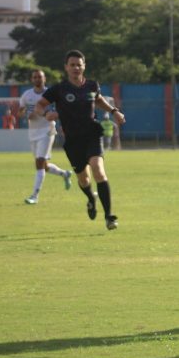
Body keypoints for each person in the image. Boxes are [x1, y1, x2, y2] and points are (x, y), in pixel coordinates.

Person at [33, 50, 125, 230]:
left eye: (79, 64)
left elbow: (98, 100)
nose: (76, 68)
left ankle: (109, 217)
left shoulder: (92, 85)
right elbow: (39, 105)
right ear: (66, 67)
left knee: (98, 170)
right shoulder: (59, 89)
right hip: (73, 141)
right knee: (83, 180)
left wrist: (114, 111)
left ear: (84, 66)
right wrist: (46, 113)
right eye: (72, 65)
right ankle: (91, 198)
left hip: (92, 134)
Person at [18, 69, 73, 205]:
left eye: (40, 77)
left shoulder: (51, 93)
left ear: (44, 79)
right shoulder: (27, 95)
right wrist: (25, 114)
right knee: (44, 166)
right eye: (35, 77)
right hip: (33, 132)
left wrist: (50, 115)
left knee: (39, 163)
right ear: (32, 79)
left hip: (47, 130)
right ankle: (65, 174)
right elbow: (20, 112)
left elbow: (61, 109)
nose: (37, 79)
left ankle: (35, 196)